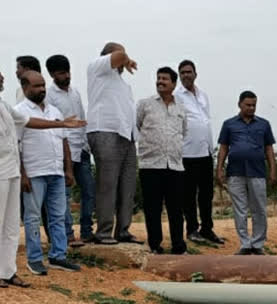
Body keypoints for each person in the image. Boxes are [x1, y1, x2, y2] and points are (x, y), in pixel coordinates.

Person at [0, 61, 86, 288]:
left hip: (10, 171)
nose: (3, 78)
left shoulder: (0, 103)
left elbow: (28, 122)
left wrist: (61, 124)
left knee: (10, 225)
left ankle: (8, 271)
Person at [16, 71, 81, 275]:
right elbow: (15, 146)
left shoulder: (55, 111)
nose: (42, 89)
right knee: (33, 216)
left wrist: (68, 169)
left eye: (43, 85)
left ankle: (58, 256)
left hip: (56, 172)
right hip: (34, 172)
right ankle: (34, 258)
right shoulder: (19, 112)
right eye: (36, 86)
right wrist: (23, 175)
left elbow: (64, 141)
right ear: (25, 87)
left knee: (58, 216)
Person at [86, 41, 140, 245]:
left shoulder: (123, 84)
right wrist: (125, 57)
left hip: (126, 136)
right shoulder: (97, 67)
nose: (124, 57)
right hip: (104, 132)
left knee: (127, 185)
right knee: (107, 185)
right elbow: (118, 56)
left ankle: (123, 230)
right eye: (121, 53)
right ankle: (104, 232)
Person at [215, 91, 276, 255]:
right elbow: (223, 148)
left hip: (257, 172)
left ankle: (257, 244)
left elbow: (269, 148)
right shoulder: (229, 124)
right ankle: (245, 243)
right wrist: (219, 168)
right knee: (240, 209)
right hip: (235, 172)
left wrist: (273, 170)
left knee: (259, 209)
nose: (251, 108)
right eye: (248, 105)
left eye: (254, 105)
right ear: (239, 104)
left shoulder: (264, 124)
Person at [136, 67, 188, 255]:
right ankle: (155, 245)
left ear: (174, 84)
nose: (160, 82)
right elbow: (138, 125)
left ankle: (178, 246)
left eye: (165, 79)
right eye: (158, 78)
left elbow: (184, 131)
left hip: (174, 165)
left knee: (176, 209)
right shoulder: (145, 104)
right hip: (150, 165)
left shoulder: (181, 107)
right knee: (152, 208)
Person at [46, 54, 94, 246]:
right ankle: (67, 234)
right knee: (63, 195)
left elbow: (82, 119)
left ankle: (87, 231)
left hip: (81, 149)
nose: (66, 76)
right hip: (63, 151)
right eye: (61, 73)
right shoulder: (49, 96)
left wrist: (86, 144)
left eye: (67, 72)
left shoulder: (75, 93)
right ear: (52, 74)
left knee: (89, 191)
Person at [175, 59, 224, 245]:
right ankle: (192, 229)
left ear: (195, 73)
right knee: (189, 194)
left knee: (206, 194)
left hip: (205, 151)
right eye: (182, 73)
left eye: (189, 72)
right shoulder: (177, 96)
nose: (186, 75)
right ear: (179, 76)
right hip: (187, 152)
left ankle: (207, 229)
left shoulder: (203, 95)